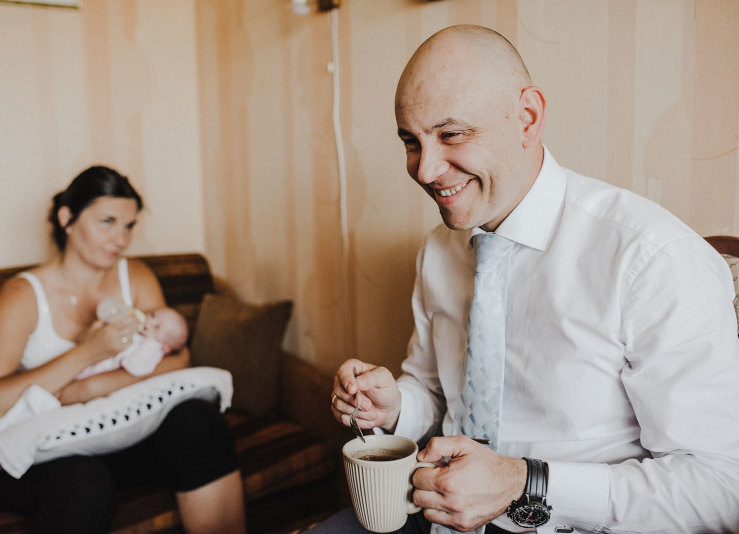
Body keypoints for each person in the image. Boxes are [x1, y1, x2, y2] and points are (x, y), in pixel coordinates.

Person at [316, 25, 739, 534]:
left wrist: (522, 483)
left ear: (528, 118)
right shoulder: (440, 250)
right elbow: (436, 391)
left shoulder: (651, 259)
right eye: (411, 141)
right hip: (436, 517)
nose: (425, 171)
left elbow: (721, 488)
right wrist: (394, 405)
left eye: (451, 135)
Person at [0, 166, 247, 534]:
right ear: (67, 218)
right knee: (84, 483)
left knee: (199, 423)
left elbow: (177, 360)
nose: (121, 239)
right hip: (40, 452)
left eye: (129, 226)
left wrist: (90, 387)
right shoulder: (23, 296)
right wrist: (87, 353)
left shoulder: (136, 277)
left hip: (116, 433)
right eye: (107, 222)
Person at [76, 305, 189, 379]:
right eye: (153, 315)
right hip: (92, 357)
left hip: (103, 371)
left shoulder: (153, 351)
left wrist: (151, 342)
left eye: (157, 327)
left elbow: (135, 367)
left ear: (165, 348)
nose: (150, 321)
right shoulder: (138, 330)